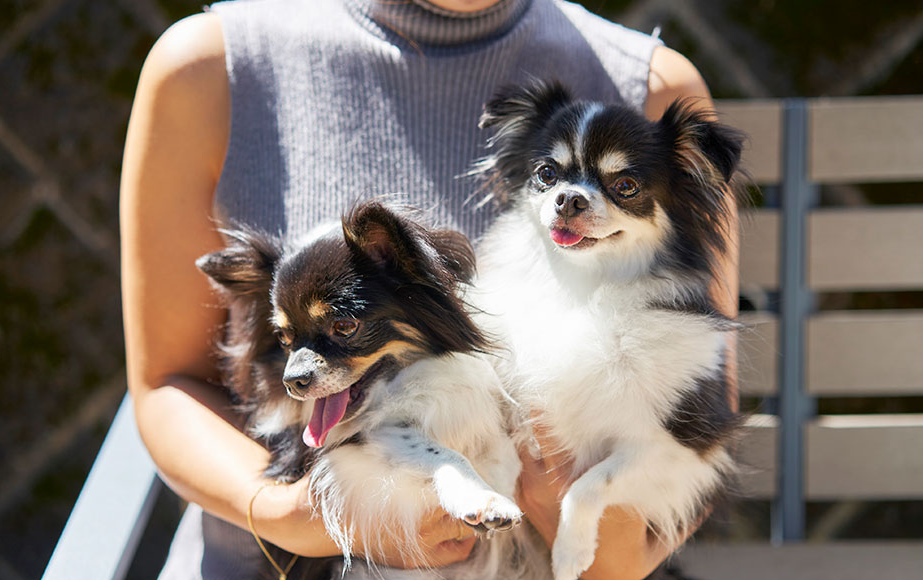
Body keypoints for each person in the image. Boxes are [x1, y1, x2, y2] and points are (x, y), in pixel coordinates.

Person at [119, 0, 739, 578]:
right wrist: (299, 517)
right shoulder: (209, 67)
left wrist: (590, 532)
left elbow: (695, 425)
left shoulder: (651, 85)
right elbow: (164, 384)